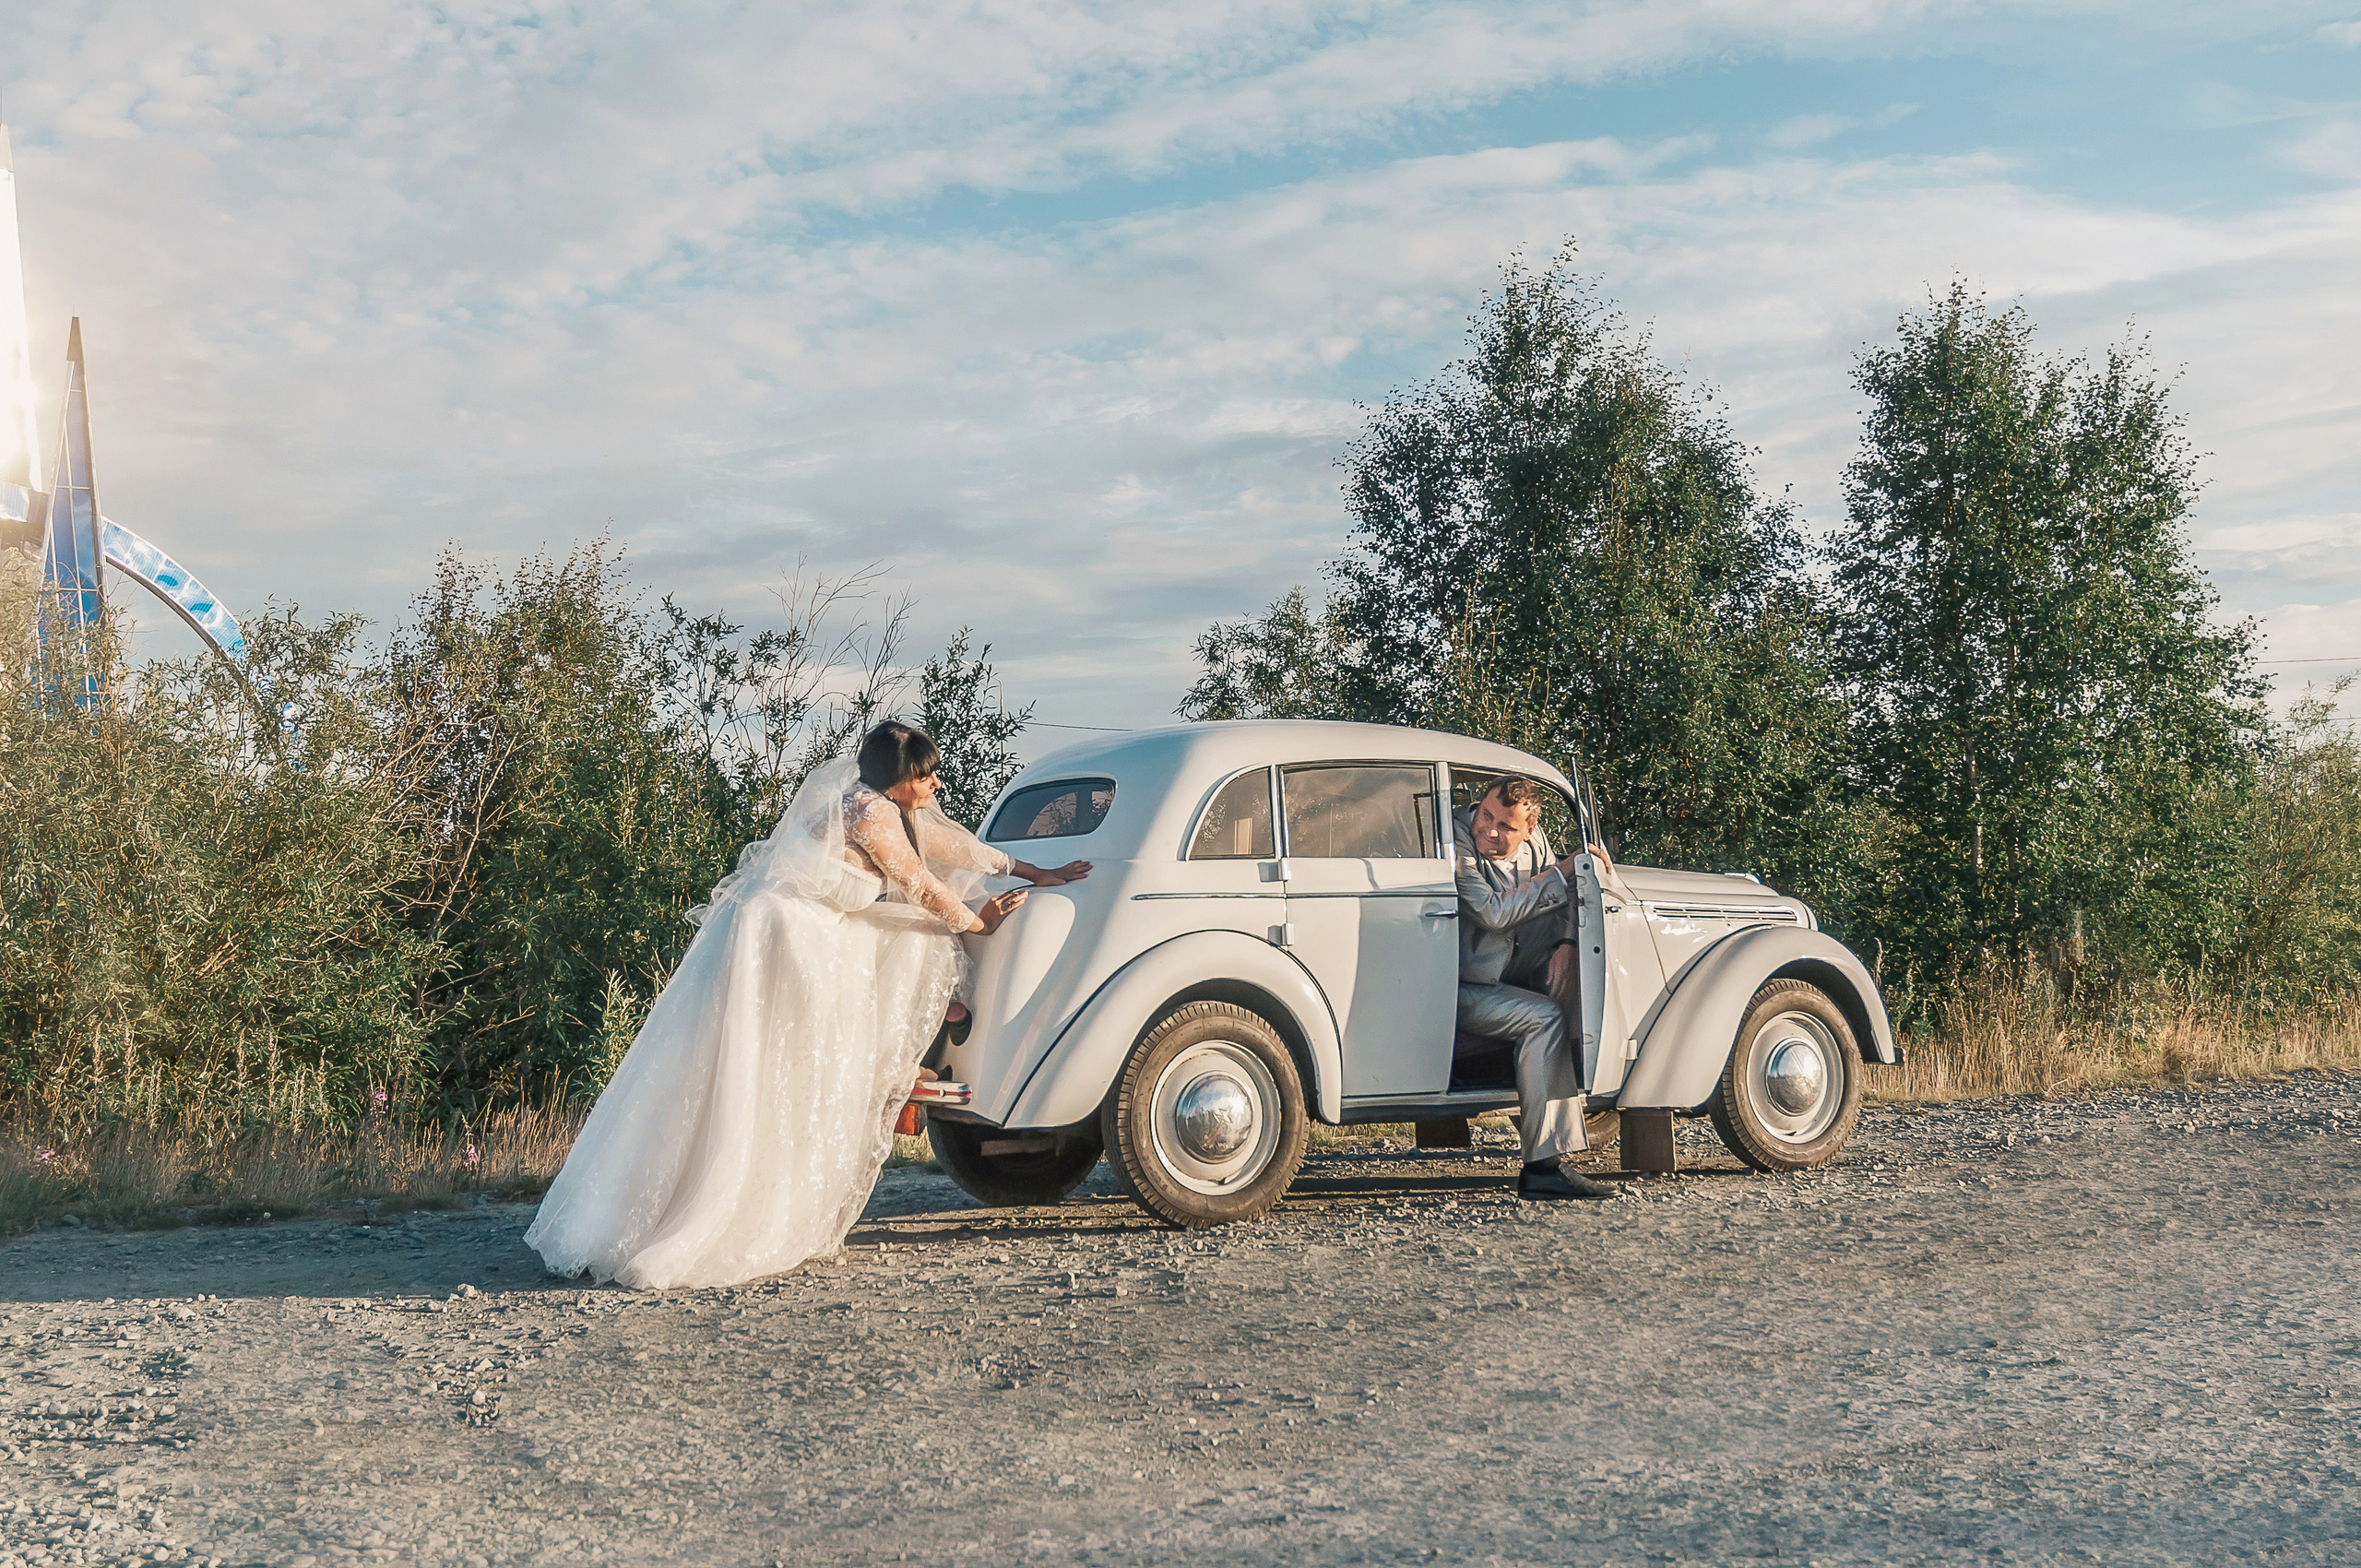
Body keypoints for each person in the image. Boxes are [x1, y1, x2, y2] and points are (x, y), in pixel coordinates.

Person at [525, 720, 1089, 1289]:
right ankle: (899, 1061)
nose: (936, 785)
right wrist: (980, 923)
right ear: (899, 781)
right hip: (793, 933)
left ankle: (926, 1040)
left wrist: (1035, 871)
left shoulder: (890, 808)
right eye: (926, 776)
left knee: (913, 943)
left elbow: (957, 848)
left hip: (815, 922)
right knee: (810, 1042)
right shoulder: (870, 813)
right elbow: (919, 882)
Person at [1454, 778, 1612, 1201]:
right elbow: (1493, 913)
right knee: (1544, 1017)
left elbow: (1559, 900)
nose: (1489, 830)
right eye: (1486, 815)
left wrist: (1564, 942)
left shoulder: (1536, 844)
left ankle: (1600, 1091)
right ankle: (1545, 1167)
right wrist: (1562, 869)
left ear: (1528, 830)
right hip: (1455, 987)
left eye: (1506, 826)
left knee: (1582, 972)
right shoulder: (1456, 839)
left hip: (1509, 971)